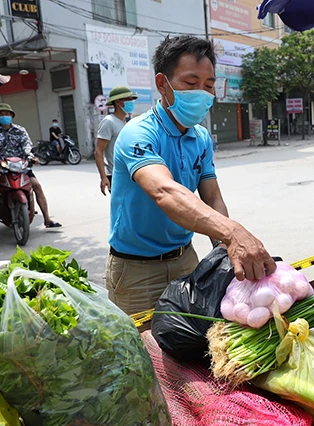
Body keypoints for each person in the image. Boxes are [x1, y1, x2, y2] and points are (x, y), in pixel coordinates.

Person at [107, 35, 275, 315]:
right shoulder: (138, 133)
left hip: (186, 260)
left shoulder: (201, 138)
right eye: (190, 83)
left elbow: (212, 196)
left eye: (208, 86)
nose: (201, 93)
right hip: (135, 270)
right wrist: (233, 233)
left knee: (190, 346)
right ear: (163, 84)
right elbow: (164, 191)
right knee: (139, 352)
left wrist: (223, 249)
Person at [0, 103, 61, 228]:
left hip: (21, 166)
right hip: (1, 166)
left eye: (7, 114)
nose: (4, 116)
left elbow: (27, 147)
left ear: (11, 115)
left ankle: (47, 219)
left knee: (37, 185)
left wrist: (32, 157)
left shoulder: (20, 130)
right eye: (1, 114)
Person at [95, 86, 136, 195]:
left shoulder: (126, 122)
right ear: (118, 102)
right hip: (116, 174)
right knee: (121, 209)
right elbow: (99, 152)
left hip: (129, 173)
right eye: (129, 99)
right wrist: (103, 177)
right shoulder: (109, 122)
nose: (132, 102)